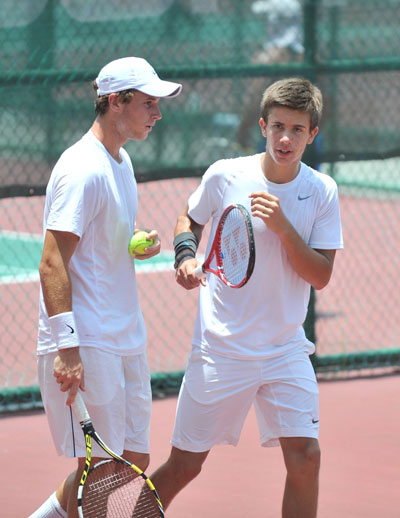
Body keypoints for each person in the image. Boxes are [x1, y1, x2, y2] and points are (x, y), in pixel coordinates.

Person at [151, 77, 343, 517]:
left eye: (297, 129)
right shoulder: (226, 174)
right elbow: (190, 217)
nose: (285, 138)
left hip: (285, 351)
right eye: (278, 126)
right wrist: (184, 255)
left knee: (306, 458)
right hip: (222, 350)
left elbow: (321, 275)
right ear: (262, 125)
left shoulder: (322, 192)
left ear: (312, 134)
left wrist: (283, 229)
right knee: (184, 466)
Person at [29, 57, 182, 518]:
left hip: (125, 336)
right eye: (149, 103)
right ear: (117, 102)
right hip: (90, 340)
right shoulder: (82, 168)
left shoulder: (122, 160)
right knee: (97, 468)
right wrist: (68, 348)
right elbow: (52, 262)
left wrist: (133, 245)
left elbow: (99, 244)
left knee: (133, 460)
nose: (157, 114)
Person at [236, 0, 304, 152]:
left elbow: (254, 99)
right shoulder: (311, 56)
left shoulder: (267, 58)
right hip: (305, 136)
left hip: (276, 139)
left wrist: (242, 130)